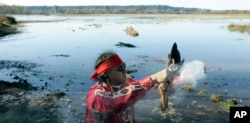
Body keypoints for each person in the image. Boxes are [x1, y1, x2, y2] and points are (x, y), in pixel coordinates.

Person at [85, 51, 172, 123]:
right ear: (107, 73)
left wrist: (168, 78)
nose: (125, 71)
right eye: (120, 68)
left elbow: (145, 90)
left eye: (124, 66)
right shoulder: (95, 95)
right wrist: (152, 79)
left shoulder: (127, 83)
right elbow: (115, 101)